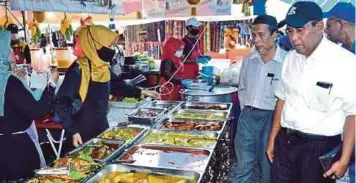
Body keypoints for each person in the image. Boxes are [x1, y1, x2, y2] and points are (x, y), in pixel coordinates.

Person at [266, 2, 356, 183]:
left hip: (318, 149)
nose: (294, 37)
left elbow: (353, 113)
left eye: (300, 30)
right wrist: (273, 139)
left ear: (319, 27)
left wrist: (344, 160)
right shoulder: (291, 59)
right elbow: (282, 99)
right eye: (290, 31)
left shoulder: (344, 62)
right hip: (286, 143)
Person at [232, 15, 287, 183]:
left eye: (261, 35)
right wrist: (245, 113)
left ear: (275, 35)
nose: (256, 40)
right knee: (242, 165)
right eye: (253, 35)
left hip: (272, 118)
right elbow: (242, 88)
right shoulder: (249, 60)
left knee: (268, 166)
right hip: (248, 116)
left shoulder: (287, 61)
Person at [0, 29, 58, 180]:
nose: (13, 50)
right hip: (16, 150)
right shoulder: (10, 83)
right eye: (8, 47)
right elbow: (36, 111)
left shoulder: (9, 80)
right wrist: (51, 83)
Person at [54, 25, 118, 148]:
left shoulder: (103, 67)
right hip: (80, 134)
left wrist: (141, 92)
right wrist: (72, 131)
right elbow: (61, 103)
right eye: (108, 45)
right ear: (95, 44)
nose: (111, 49)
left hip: (101, 128)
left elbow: (116, 84)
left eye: (112, 46)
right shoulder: (78, 70)